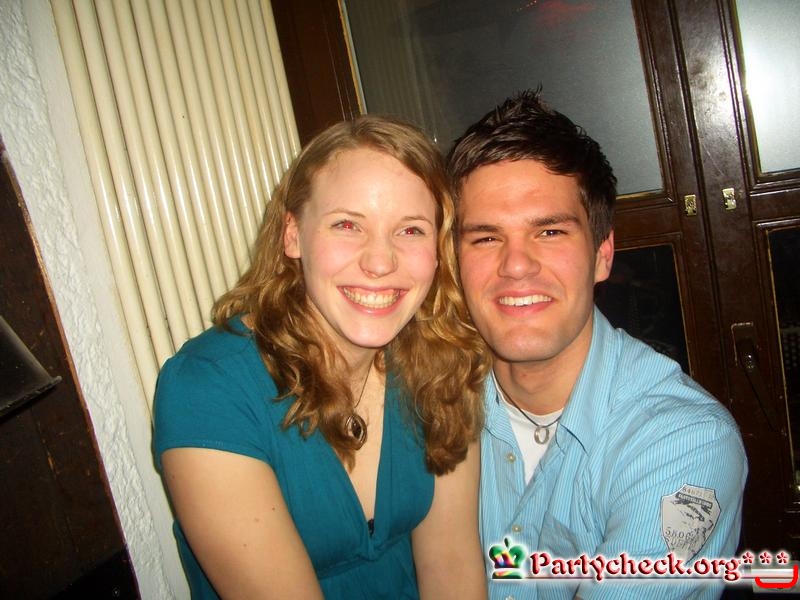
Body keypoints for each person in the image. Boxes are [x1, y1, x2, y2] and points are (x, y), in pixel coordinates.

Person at [153, 115, 489, 599]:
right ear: (292, 234)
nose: (380, 262)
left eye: (411, 230)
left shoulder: (442, 361)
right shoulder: (207, 389)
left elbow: (451, 563)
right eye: (347, 225)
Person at [447, 90, 747, 599]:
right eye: (486, 237)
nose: (515, 266)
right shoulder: (431, 404)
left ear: (602, 255)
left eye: (549, 232)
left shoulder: (684, 442)